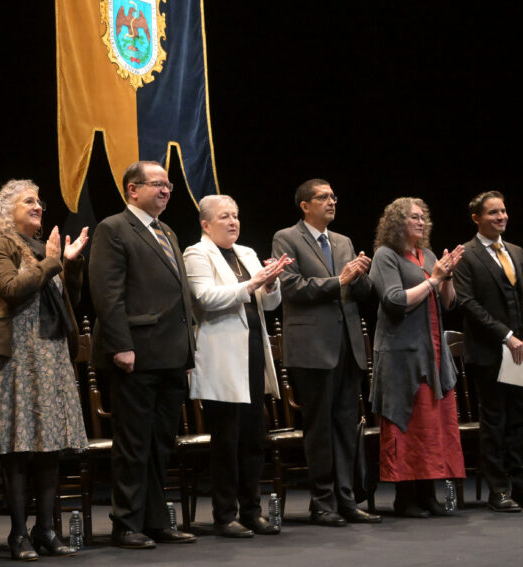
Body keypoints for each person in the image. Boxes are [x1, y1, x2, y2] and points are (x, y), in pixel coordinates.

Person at [88, 160, 196, 550]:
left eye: (169, 185)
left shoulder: (166, 231)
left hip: (170, 355)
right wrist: (121, 345)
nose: (166, 190)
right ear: (132, 190)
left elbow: (179, 297)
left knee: (160, 443)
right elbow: (107, 294)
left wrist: (188, 353)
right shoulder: (114, 228)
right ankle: (125, 523)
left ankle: (154, 519)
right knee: (133, 444)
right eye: (157, 184)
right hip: (135, 353)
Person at [0, 180, 89, 560]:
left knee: (49, 447)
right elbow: (10, 288)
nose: (38, 205)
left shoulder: (46, 249)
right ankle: (18, 534)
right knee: (18, 446)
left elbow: (66, 300)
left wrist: (70, 265)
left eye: (39, 201)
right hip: (18, 355)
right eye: (29, 200)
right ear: (6, 210)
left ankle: (46, 528)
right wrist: (54, 261)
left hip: (52, 352)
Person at [271, 179, 380, 526]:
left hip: (347, 347)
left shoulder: (343, 241)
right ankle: (323, 503)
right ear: (305, 205)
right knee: (319, 429)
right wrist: (340, 281)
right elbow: (291, 287)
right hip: (312, 349)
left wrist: (362, 274)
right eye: (323, 197)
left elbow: (360, 292)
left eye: (334, 196)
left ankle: (347, 500)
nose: (332, 202)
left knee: (347, 427)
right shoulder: (286, 238)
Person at [183, 195, 291, 538]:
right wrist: (254, 283)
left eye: (236, 216)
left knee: (253, 439)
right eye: (225, 217)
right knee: (227, 440)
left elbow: (269, 304)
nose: (233, 222)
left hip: (253, 353)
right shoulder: (195, 253)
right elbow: (205, 298)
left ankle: (252, 511)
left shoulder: (245, 253)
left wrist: (271, 283)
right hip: (222, 356)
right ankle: (224, 514)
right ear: (206, 224)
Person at [452, 191, 523, 512]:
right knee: (495, 421)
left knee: (520, 420)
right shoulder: (467, 255)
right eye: (493, 213)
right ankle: (498, 490)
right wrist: (507, 336)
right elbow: (468, 304)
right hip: (490, 350)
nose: (501, 217)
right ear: (477, 218)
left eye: (503, 211)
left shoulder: (516, 251)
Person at [368, 197, 466, 517]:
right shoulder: (387, 256)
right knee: (406, 423)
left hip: (433, 352)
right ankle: (404, 496)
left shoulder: (429, 255)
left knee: (431, 424)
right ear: (397, 222)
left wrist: (446, 276)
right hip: (401, 355)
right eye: (413, 217)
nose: (421, 222)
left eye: (423, 217)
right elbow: (395, 301)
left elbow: (448, 303)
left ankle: (427, 494)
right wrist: (434, 279)